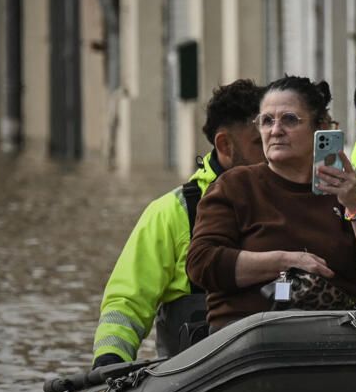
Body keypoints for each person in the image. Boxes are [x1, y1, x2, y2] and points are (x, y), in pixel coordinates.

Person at [186, 75, 356, 333]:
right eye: (266, 121)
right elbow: (201, 263)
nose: (275, 130)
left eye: (289, 119)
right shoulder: (235, 186)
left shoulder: (347, 189)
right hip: (247, 340)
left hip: (335, 338)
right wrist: (286, 261)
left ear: (321, 127)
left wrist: (355, 204)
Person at [91, 79, 264, 369]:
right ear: (225, 144)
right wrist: (110, 361)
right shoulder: (172, 213)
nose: (272, 148)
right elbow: (127, 302)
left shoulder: (294, 201)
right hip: (192, 377)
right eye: (259, 142)